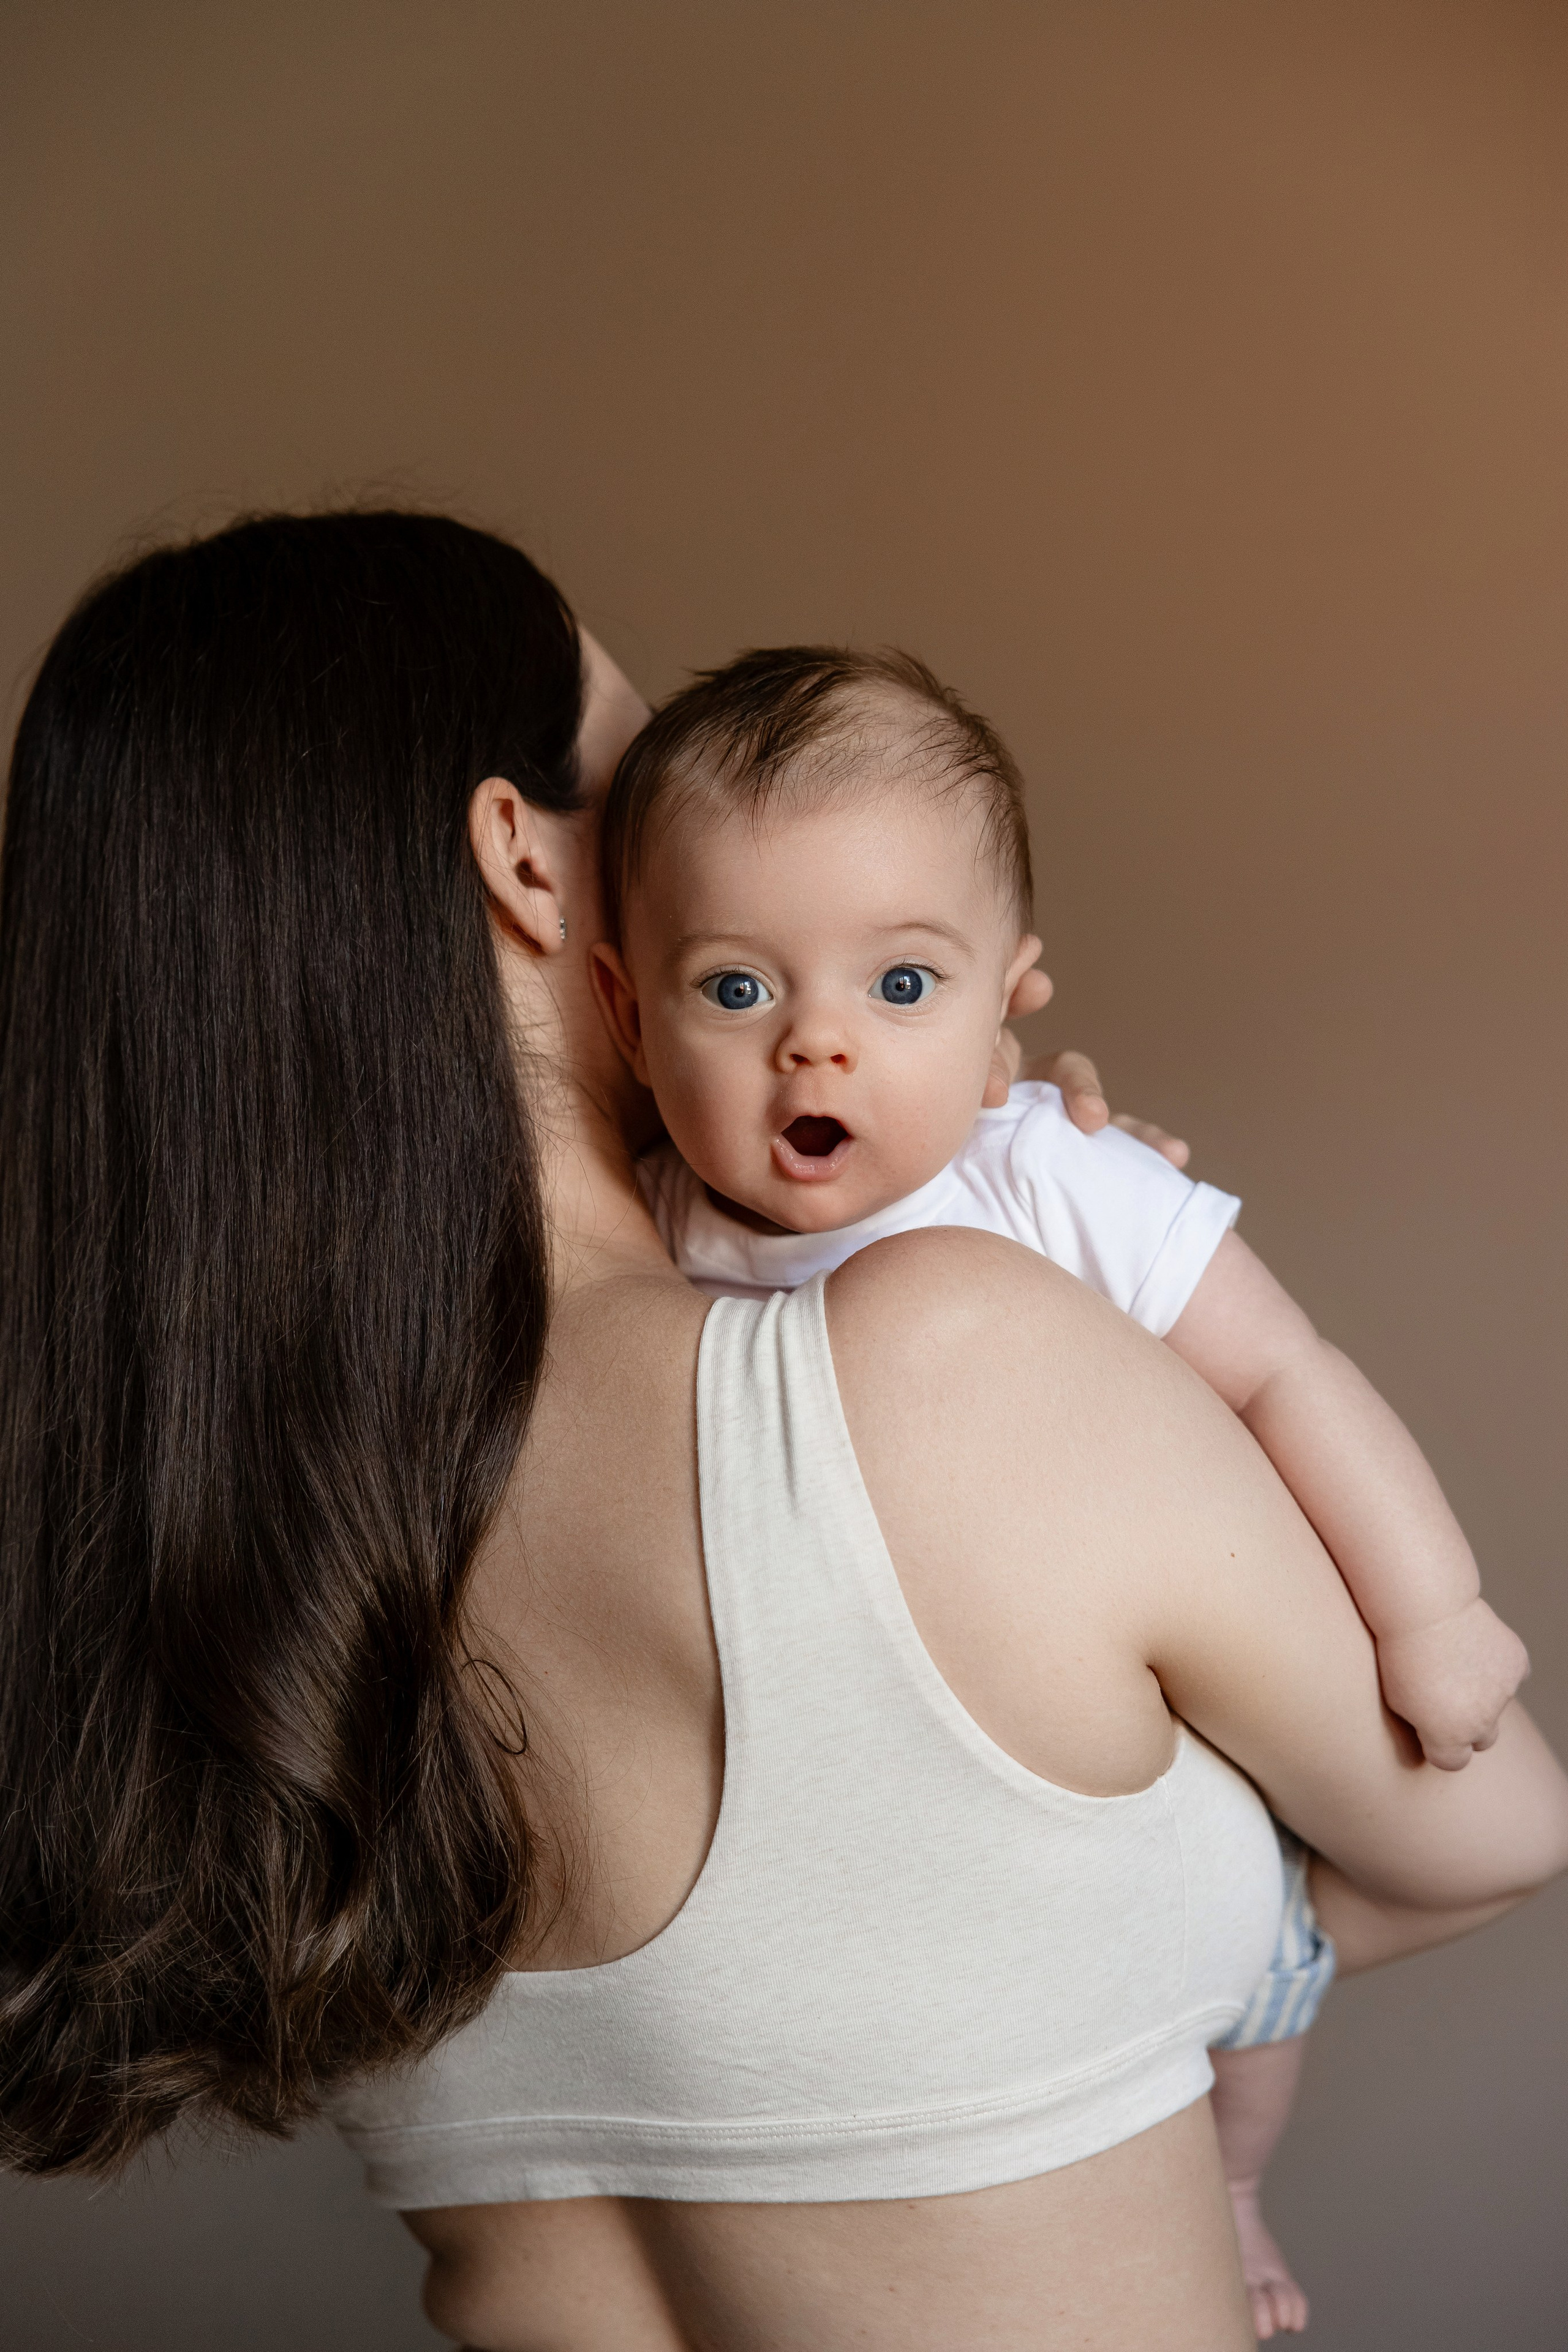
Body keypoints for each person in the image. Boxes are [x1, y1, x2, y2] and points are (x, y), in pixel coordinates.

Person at [1, 514, 1564, 2352]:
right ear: (523, 860)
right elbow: (1497, 1828)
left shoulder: (246, 1567)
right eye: (643, 758)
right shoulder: (947, 1364)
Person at [587, 644, 1534, 2331]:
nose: (817, 1048)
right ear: (626, 1008)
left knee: (1248, 2051)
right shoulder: (655, 1223)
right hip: (933, 1775)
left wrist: (1431, 1606)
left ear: (1011, 1003)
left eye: (901, 988)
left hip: (1178, 1706)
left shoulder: (1055, 1176)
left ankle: (1236, 2195)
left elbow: (1287, 1374)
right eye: (736, 990)